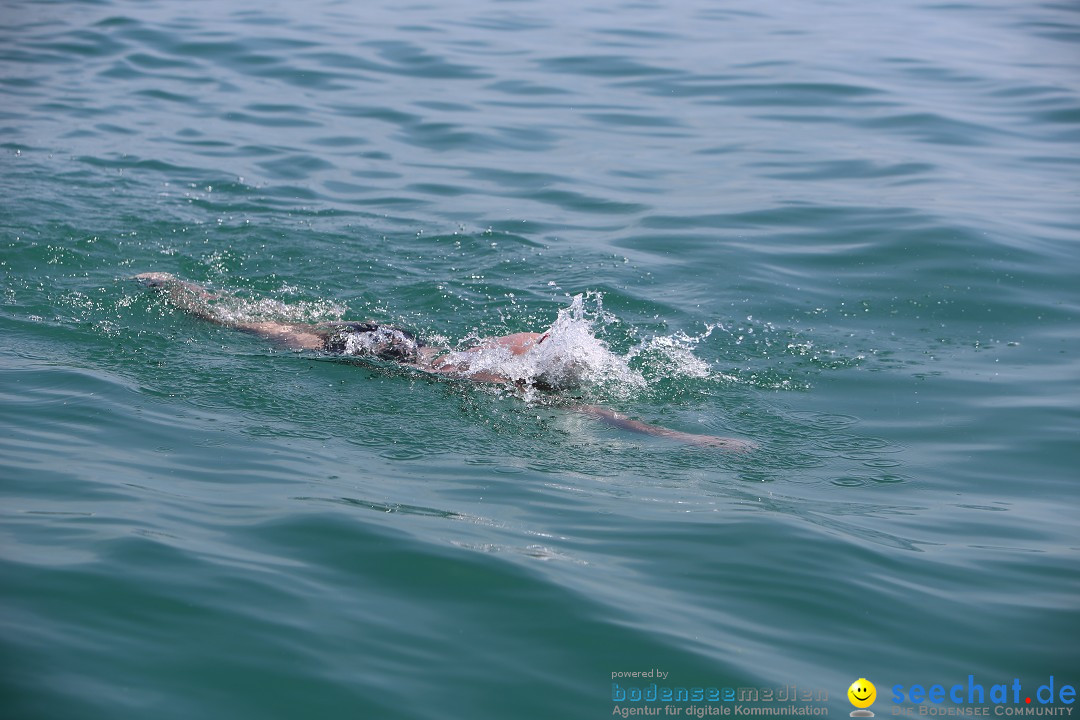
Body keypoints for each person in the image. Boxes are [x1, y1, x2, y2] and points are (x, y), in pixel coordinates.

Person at [135, 272, 755, 451]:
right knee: (253, 327)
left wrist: (689, 436)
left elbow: (612, 413)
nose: (536, 339)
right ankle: (182, 296)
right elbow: (615, 419)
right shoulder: (518, 386)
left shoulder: (518, 361)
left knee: (261, 323)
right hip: (389, 355)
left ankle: (184, 293)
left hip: (400, 342)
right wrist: (691, 439)